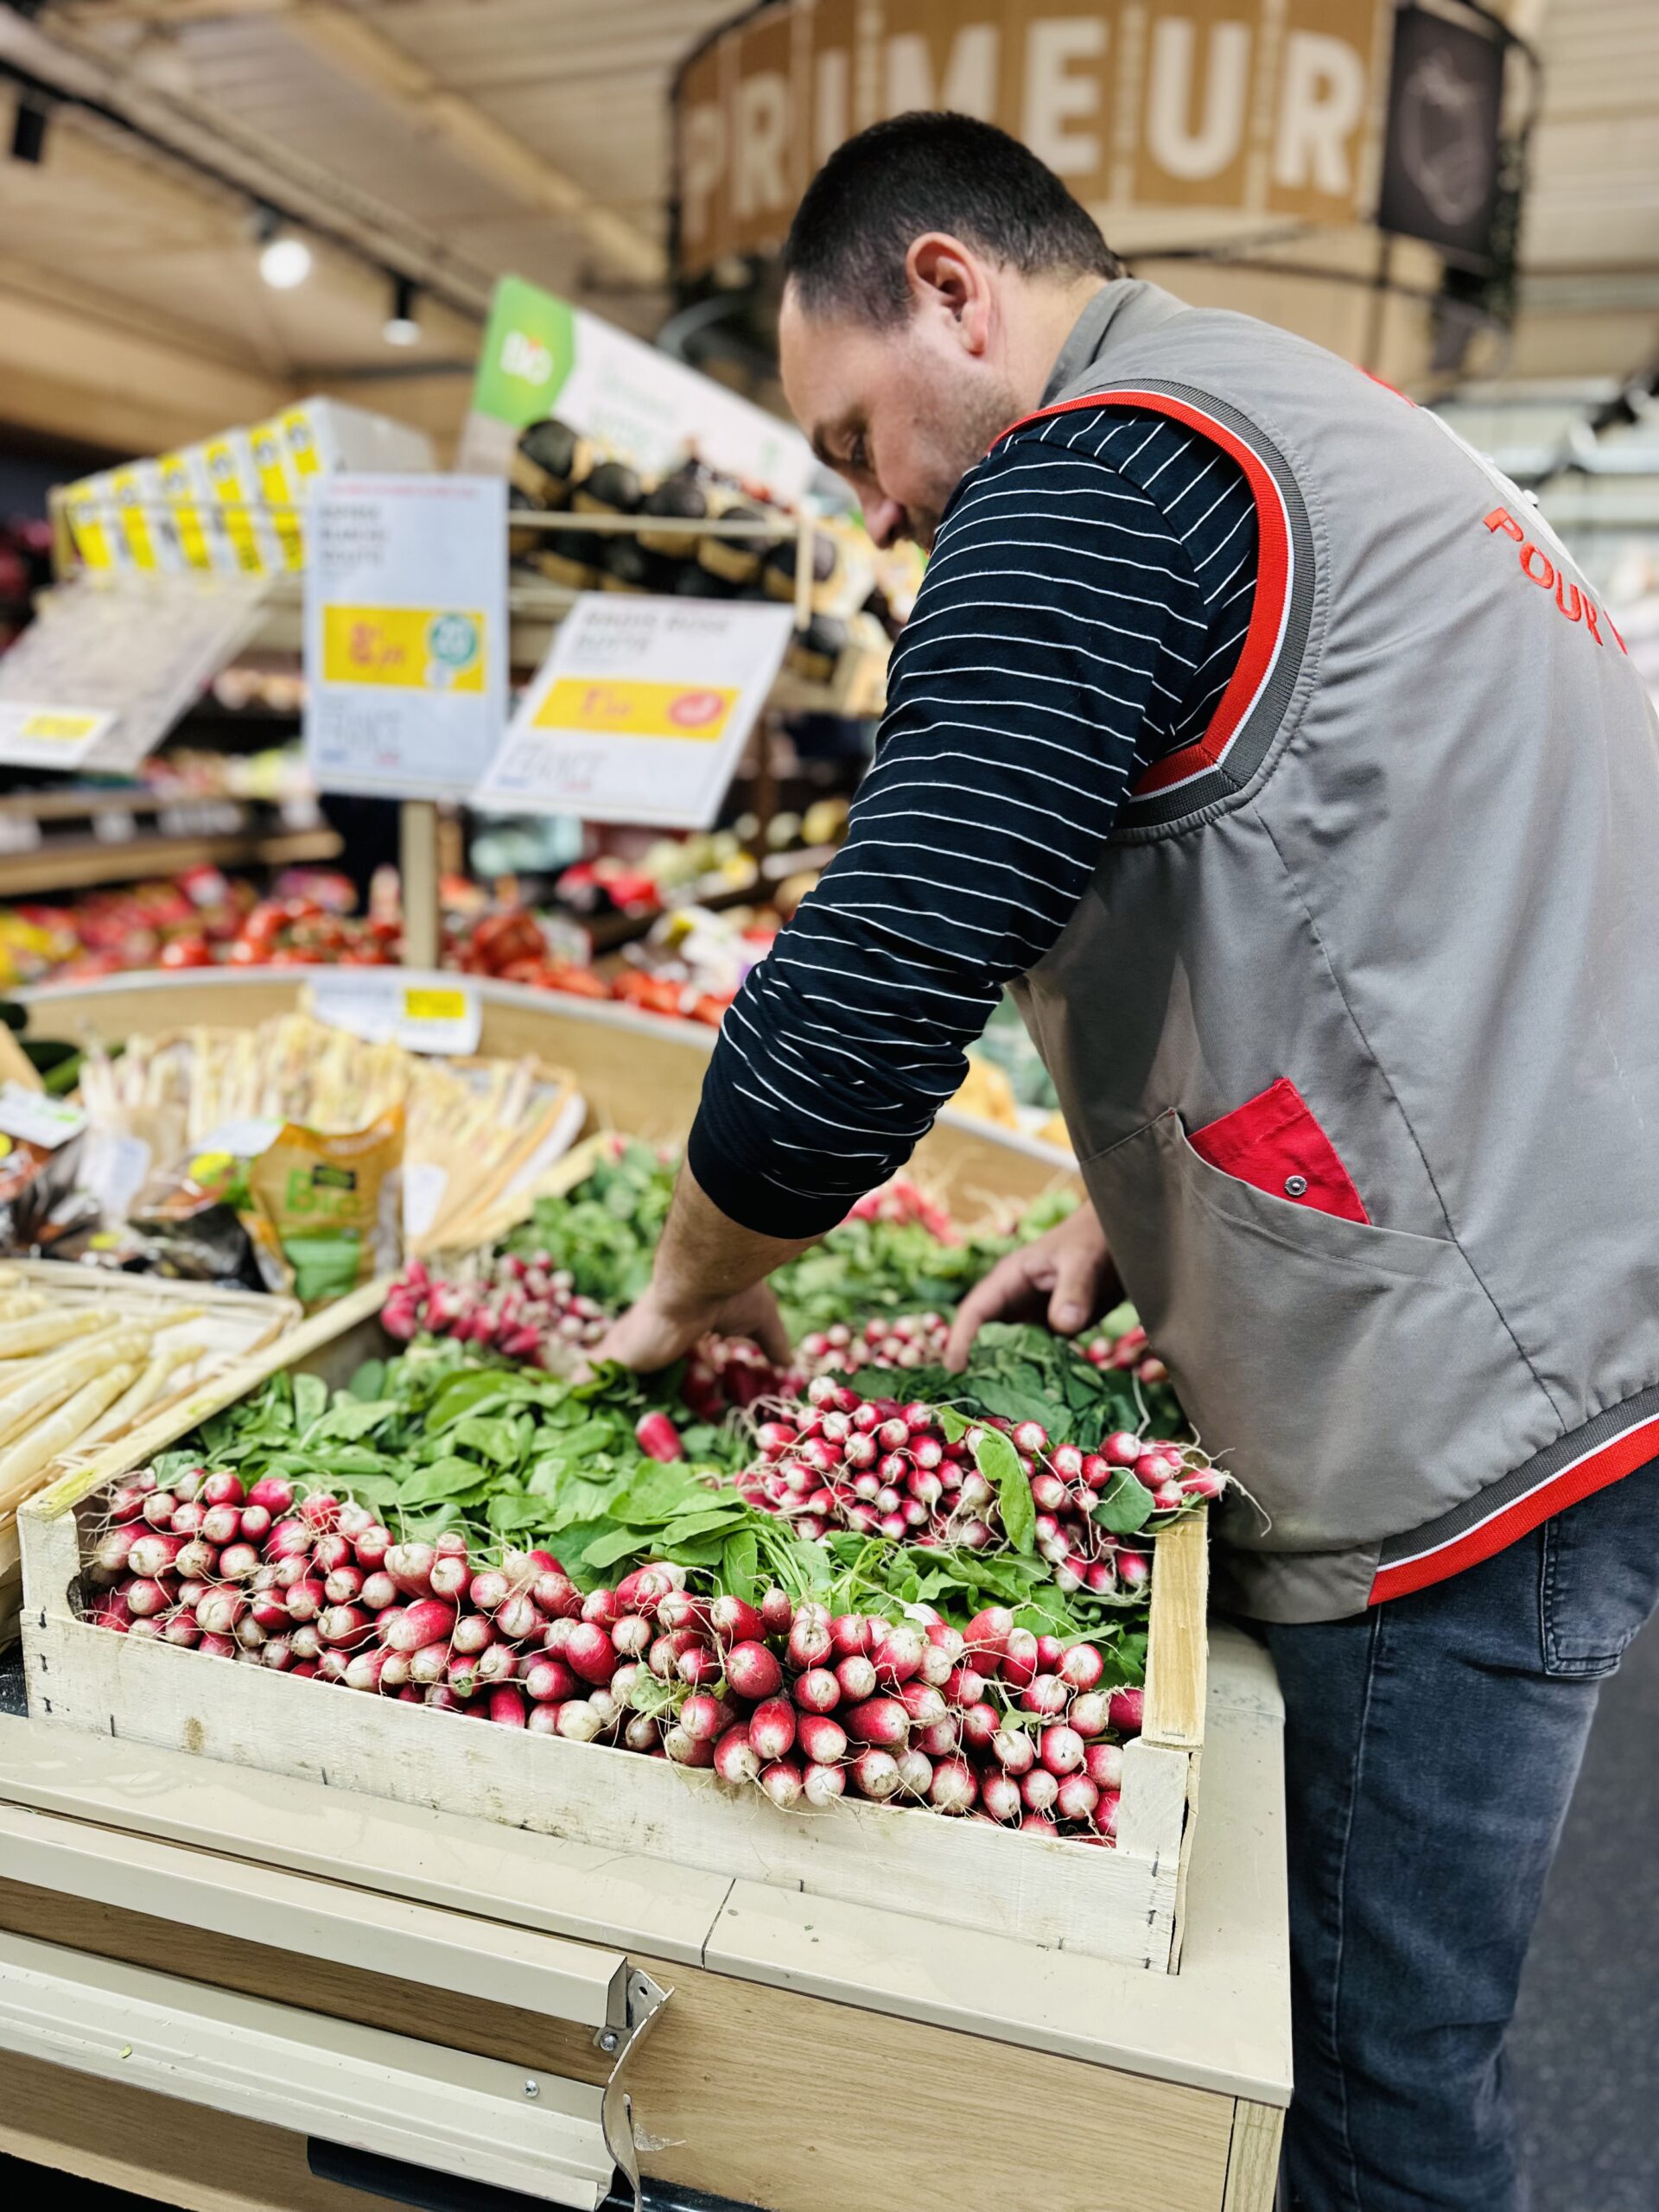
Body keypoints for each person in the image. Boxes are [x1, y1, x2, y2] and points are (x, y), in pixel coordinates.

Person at [596, 112, 1659, 2210]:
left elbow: (857, 1006)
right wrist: (1150, 1178)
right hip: (1578, 1307)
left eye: (853, 440)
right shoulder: (1320, 424)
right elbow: (1413, 873)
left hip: (1468, 1415)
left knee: (1371, 2091)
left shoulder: (1087, 478)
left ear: (951, 291)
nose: (881, 505)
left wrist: (694, 1281)